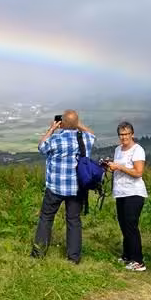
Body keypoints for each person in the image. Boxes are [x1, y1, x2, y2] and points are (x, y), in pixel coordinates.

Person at [31, 109, 94, 262]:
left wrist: (51, 129)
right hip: (76, 188)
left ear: (62, 123)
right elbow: (92, 135)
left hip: (55, 187)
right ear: (77, 123)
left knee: (46, 218)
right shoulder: (85, 139)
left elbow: (41, 147)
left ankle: (39, 253)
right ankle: (73, 257)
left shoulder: (56, 139)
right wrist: (77, 124)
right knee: (73, 220)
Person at [108, 121, 148, 272]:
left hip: (134, 193)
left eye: (126, 134)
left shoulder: (138, 150)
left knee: (131, 226)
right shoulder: (118, 149)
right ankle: (127, 255)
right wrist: (111, 167)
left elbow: (138, 172)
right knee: (123, 225)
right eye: (121, 134)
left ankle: (138, 261)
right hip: (120, 192)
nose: (123, 137)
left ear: (132, 134)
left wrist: (120, 167)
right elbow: (119, 169)